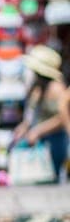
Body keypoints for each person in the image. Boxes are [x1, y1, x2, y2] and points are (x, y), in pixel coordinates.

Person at [14, 44, 68, 182]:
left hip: (55, 141)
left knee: (52, 178)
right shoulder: (38, 88)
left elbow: (63, 118)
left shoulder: (56, 88)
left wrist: (39, 130)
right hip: (40, 142)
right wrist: (25, 126)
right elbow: (32, 113)